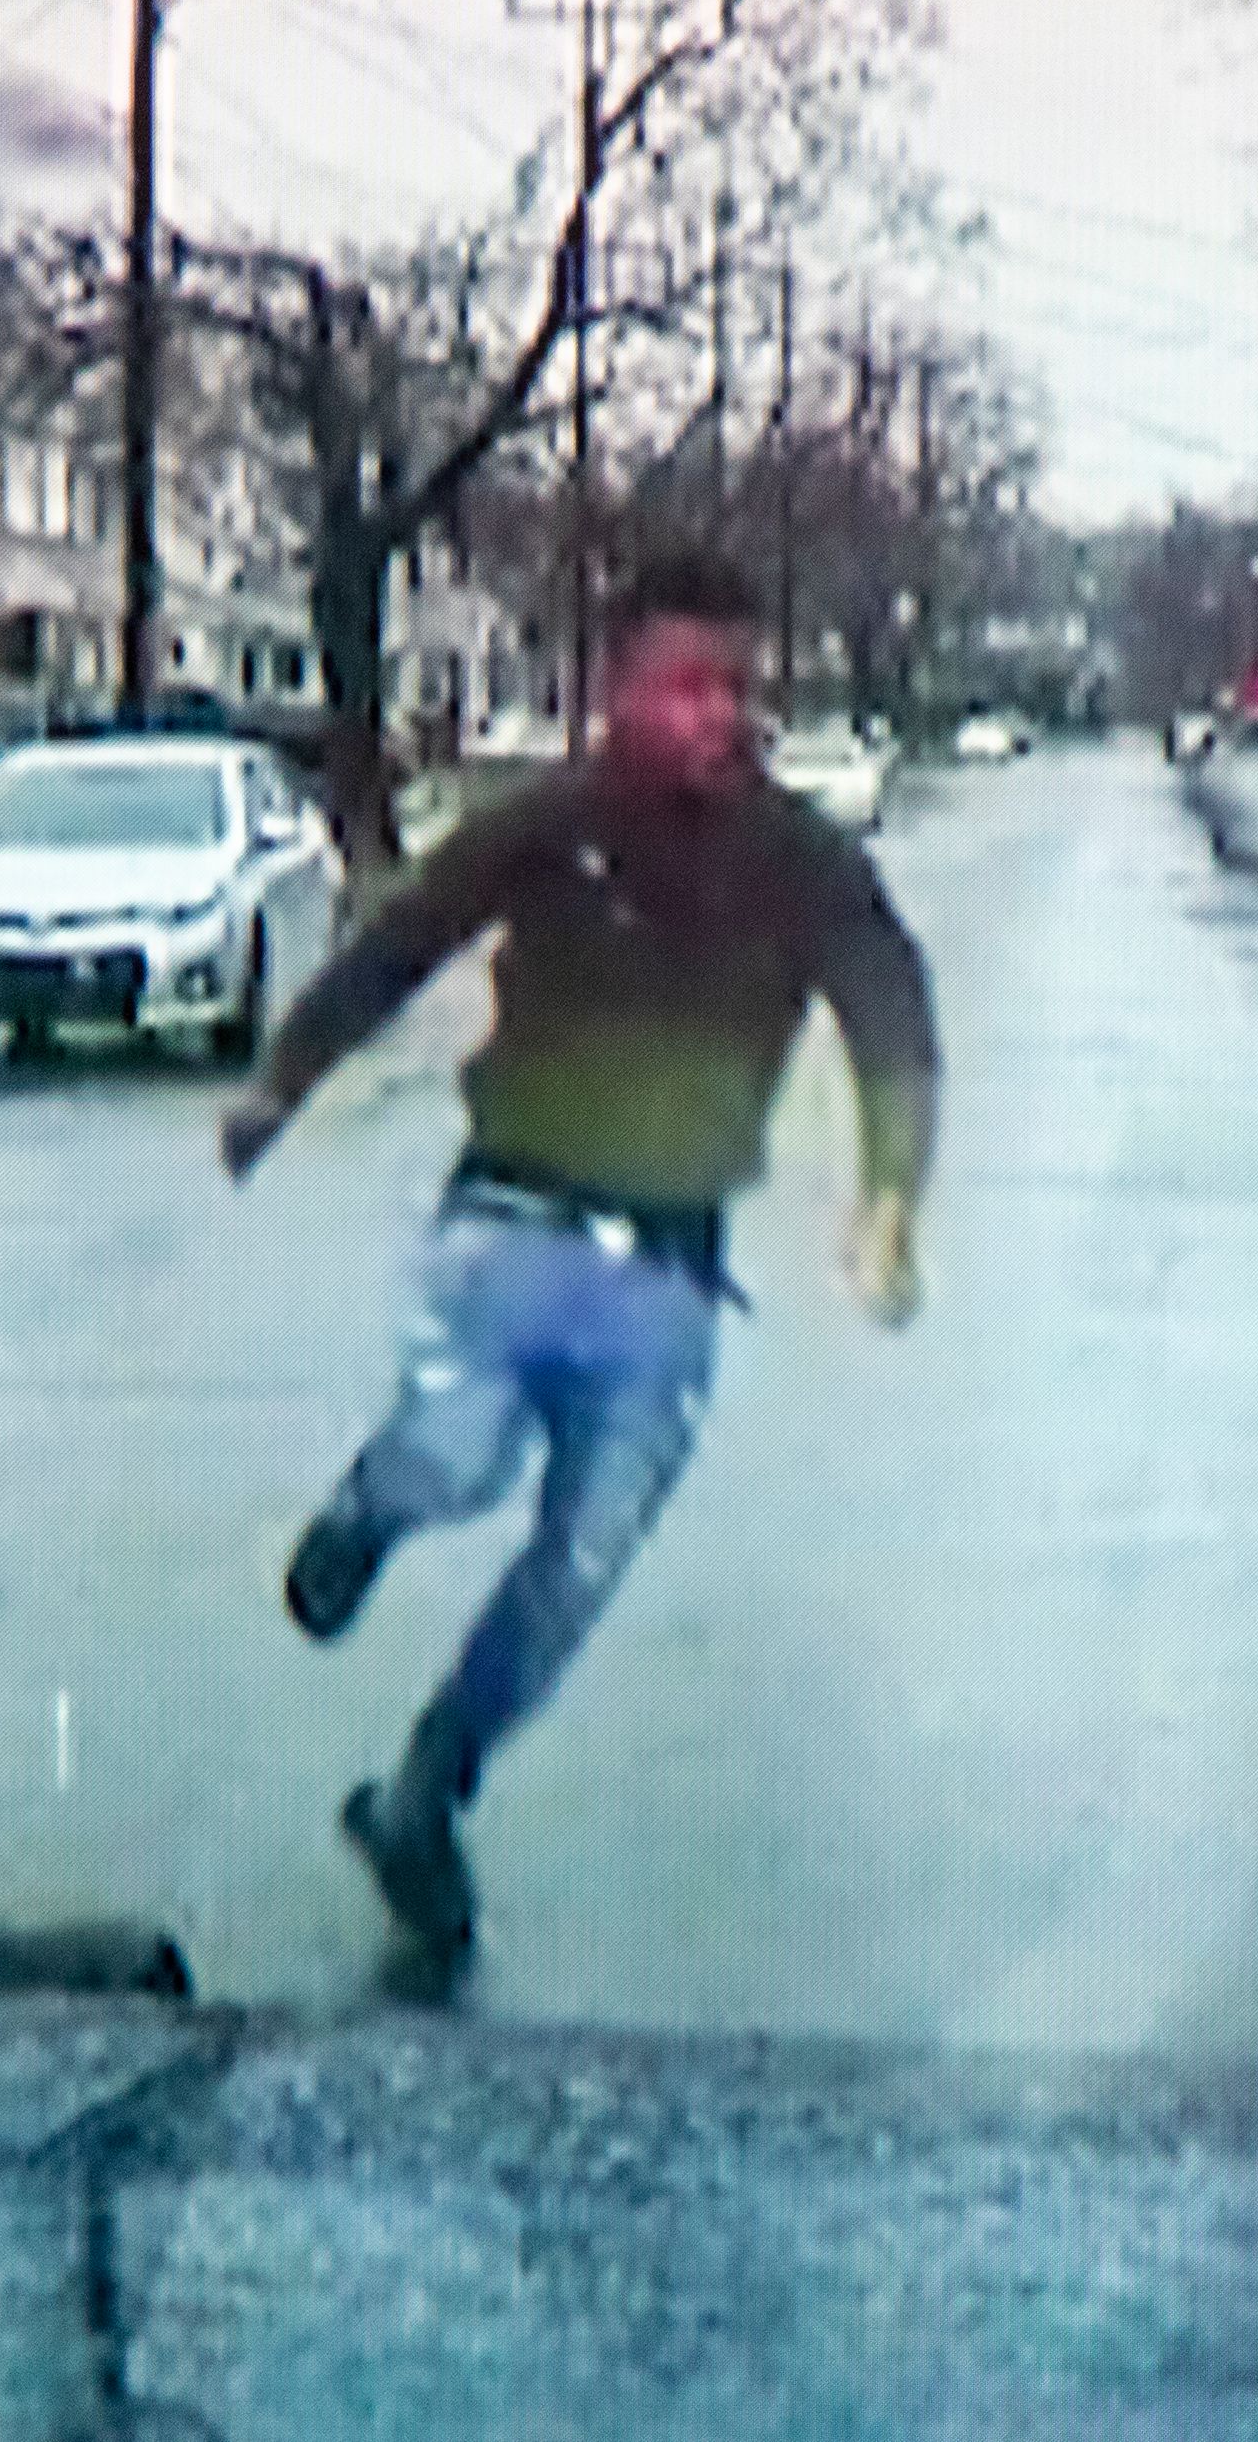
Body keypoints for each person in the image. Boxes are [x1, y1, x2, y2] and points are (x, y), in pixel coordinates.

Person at [217, 549, 941, 1978]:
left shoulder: (798, 860)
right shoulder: (547, 827)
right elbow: (401, 945)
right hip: (511, 1226)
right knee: (462, 1453)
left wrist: (888, 1201)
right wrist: (279, 1084)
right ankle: (371, 1507)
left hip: (671, 1278)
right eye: (683, 688)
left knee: (577, 1569)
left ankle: (423, 1797)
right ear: (614, 691)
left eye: (738, 689)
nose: (716, 718)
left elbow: (888, 1010)